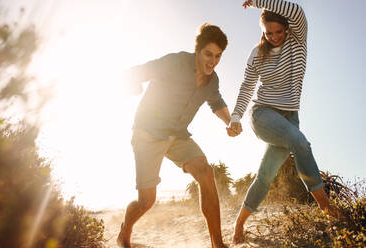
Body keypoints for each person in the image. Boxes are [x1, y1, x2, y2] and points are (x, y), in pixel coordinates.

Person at [228, 0, 342, 244]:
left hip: (290, 117)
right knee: (299, 142)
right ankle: (327, 209)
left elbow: (296, 10)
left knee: (265, 175)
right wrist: (236, 116)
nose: (274, 37)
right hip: (263, 114)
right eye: (268, 33)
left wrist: (259, 1)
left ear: (288, 29)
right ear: (262, 32)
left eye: (279, 31)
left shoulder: (297, 39)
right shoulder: (258, 53)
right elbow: (247, 86)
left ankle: (239, 224)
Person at [117, 23, 233, 248]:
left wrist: (230, 122)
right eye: (208, 54)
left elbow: (216, 102)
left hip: (178, 135)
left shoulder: (213, 80)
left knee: (206, 173)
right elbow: (135, 72)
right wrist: (132, 85)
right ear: (197, 50)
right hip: (148, 133)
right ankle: (125, 230)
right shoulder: (175, 62)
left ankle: (217, 244)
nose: (213, 61)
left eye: (218, 56)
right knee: (146, 201)